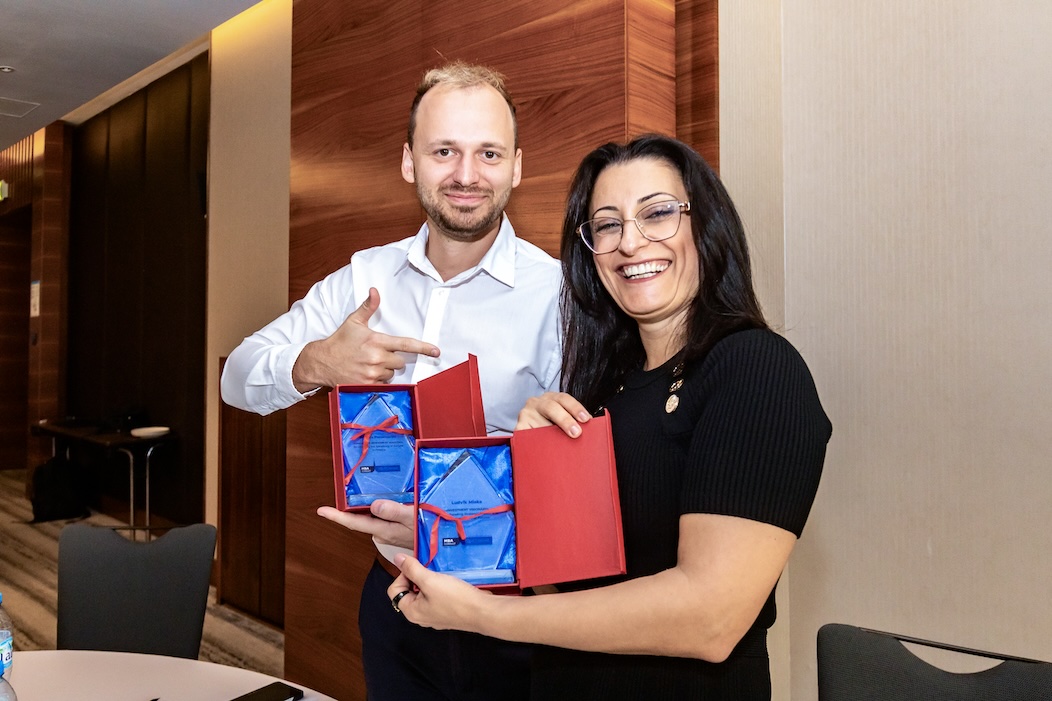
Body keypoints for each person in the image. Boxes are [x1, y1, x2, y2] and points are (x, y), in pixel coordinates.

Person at [384, 134, 832, 700]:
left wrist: (482, 616)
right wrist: (454, 528)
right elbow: (561, 593)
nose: (631, 242)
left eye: (658, 213)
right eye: (607, 224)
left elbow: (711, 619)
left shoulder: (757, 369)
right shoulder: (599, 391)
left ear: (705, 226)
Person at [221, 62, 561, 701]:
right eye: (443, 151)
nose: (466, 174)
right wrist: (316, 363)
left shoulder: (560, 295)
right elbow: (236, 378)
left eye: (489, 153)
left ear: (517, 167)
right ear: (409, 161)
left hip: (515, 618)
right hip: (392, 602)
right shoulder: (362, 280)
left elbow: (585, 481)